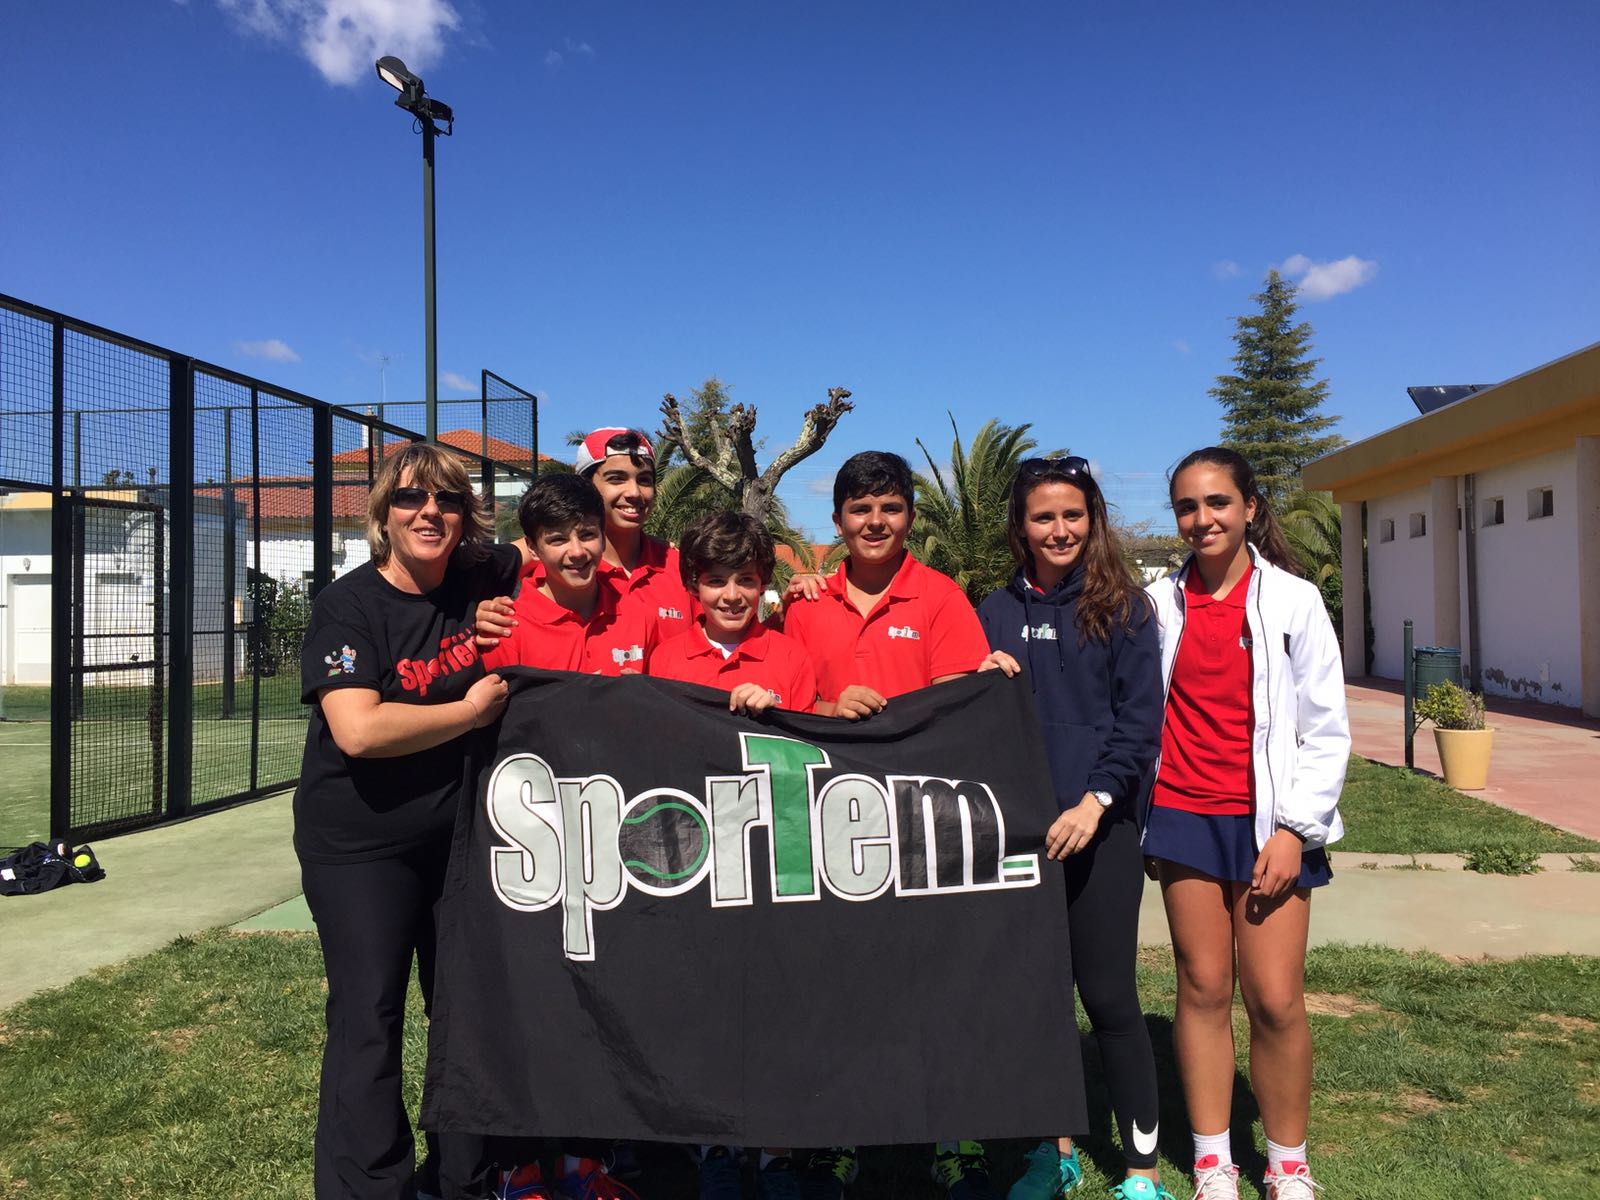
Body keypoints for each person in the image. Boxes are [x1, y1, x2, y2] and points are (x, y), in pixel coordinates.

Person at [293, 442, 520, 1200]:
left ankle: (467, 1180)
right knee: (370, 1016)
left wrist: (808, 584)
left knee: (467, 1013)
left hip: (458, 842)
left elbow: (572, 543)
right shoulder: (348, 605)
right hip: (361, 847)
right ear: (383, 515)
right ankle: (368, 1186)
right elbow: (358, 730)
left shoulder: (482, 575)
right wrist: (468, 712)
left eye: (448, 500)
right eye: (411, 498)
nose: (430, 512)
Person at [777, 450, 994, 1200]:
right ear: (837, 520)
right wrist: (826, 709)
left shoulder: (942, 598)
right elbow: (782, 700)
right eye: (860, 509)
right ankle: (833, 1134)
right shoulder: (801, 604)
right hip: (821, 824)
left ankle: (941, 1138)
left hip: (917, 822)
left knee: (928, 983)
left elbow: (957, 710)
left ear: (910, 516)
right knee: (832, 984)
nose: (876, 522)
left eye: (891, 508)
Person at [1144, 447, 1349, 1200]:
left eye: (1218, 502)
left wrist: (1295, 829)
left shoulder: (1294, 601)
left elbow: (1326, 728)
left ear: (1250, 507)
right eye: (1187, 506)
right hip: (1183, 814)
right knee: (1201, 987)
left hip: (1272, 823)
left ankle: (1287, 1164)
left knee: (1275, 997)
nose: (1202, 519)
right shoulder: (1155, 604)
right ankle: (1212, 1161)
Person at [975, 457, 1172, 1200]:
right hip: (1020, 836)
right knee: (1039, 999)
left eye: (1072, 515)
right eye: (1043, 517)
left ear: (1093, 519)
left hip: (1100, 829)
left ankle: (1142, 1171)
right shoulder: (991, 611)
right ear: (1020, 527)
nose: (1059, 530)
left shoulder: (1126, 609)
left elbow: (1139, 725)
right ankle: (1055, 1148)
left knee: (1110, 998)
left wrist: (1093, 804)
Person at [481, 473, 660, 676]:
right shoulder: (505, 630)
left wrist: (642, 691)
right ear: (532, 548)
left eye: (587, 535)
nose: (577, 552)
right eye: (558, 540)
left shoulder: (641, 618)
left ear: (603, 538)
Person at [648, 510, 818, 717]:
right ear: (693, 586)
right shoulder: (664, 659)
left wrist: (776, 718)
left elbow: (802, 734)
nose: (732, 596)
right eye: (716, 581)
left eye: (745, 580)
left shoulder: (792, 658)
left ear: (763, 583)